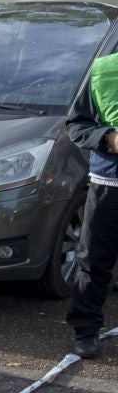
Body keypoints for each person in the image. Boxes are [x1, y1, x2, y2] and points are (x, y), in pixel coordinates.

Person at [67, 49, 118, 357]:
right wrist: (109, 138)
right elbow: (77, 125)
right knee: (93, 259)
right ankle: (86, 331)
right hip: (109, 184)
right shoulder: (104, 70)